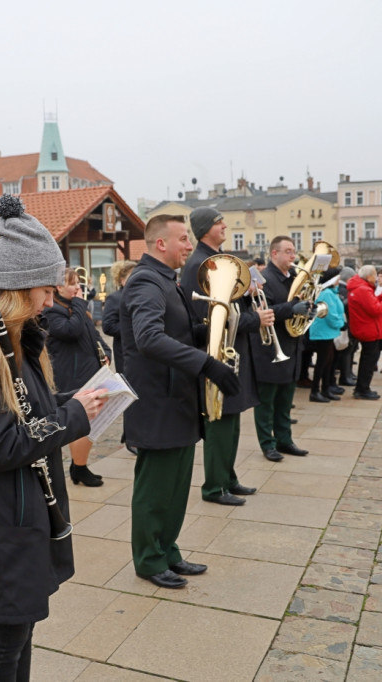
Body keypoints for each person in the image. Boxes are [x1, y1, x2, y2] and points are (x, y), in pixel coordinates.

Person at [0, 194, 104, 681]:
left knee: (23, 627)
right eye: (45, 291)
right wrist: (74, 416)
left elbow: (31, 409)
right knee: (9, 637)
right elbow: (1, 445)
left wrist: (85, 397)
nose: (51, 302)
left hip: (21, 508)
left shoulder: (11, 336)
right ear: (16, 287)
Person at [120, 213, 240, 589]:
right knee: (156, 488)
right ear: (161, 244)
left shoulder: (164, 281)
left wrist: (209, 328)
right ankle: (148, 559)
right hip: (158, 404)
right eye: (183, 239)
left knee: (174, 487)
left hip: (178, 401)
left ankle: (167, 550)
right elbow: (149, 338)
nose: (190, 246)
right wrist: (207, 363)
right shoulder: (144, 281)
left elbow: (176, 331)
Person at [180, 207, 268, 504]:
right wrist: (255, 320)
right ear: (206, 228)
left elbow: (228, 306)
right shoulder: (198, 265)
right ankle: (214, 487)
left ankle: (228, 479)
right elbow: (207, 319)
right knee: (219, 422)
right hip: (216, 354)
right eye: (219, 223)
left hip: (231, 351)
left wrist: (247, 295)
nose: (225, 226)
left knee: (231, 421)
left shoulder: (217, 259)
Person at [42, 267, 112, 487]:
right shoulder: (52, 311)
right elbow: (70, 331)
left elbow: (94, 334)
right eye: (72, 283)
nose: (77, 288)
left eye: (78, 283)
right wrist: (81, 305)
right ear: (58, 287)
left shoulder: (76, 308)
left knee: (93, 421)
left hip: (90, 371)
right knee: (82, 421)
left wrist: (105, 353)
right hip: (71, 376)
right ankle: (79, 468)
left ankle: (78, 465)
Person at [252, 235, 312, 462]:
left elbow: (298, 305)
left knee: (285, 401)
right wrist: (292, 308)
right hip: (269, 350)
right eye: (288, 251)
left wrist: (307, 310)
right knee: (266, 403)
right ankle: (268, 444)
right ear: (274, 254)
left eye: (294, 251)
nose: (293, 256)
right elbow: (264, 310)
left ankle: (285, 440)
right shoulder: (264, 279)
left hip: (291, 347)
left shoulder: (294, 278)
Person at [101, 259, 137, 454]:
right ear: (122, 280)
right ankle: (131, 439)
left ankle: (130, 433)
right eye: (131, 276)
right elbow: (108, 326)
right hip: (126, 354)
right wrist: (133, 330)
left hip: (142, 354)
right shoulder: (115, 298)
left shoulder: (141, 294)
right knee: (130, 396)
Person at [346, 265, 382, 400]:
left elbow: (371, 303)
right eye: (375, 275)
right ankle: (362, 389)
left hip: (366, 329)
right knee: (368, 361)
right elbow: (376, 309)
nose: (377, 278)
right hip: (368, 330)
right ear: (368, 277)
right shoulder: (363, 289)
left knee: (367, 360)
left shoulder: (361, 288)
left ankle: (362, 388)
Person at [306, 267, 345, 402]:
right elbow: (331, 314)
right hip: (323, 332)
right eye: (338, 278)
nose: (340, 280)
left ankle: (325, 389)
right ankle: (315, 391)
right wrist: (341, 324)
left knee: (328, 362)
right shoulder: (326, 294)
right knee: (322, 363)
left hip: (328, 332)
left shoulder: (331, 292)